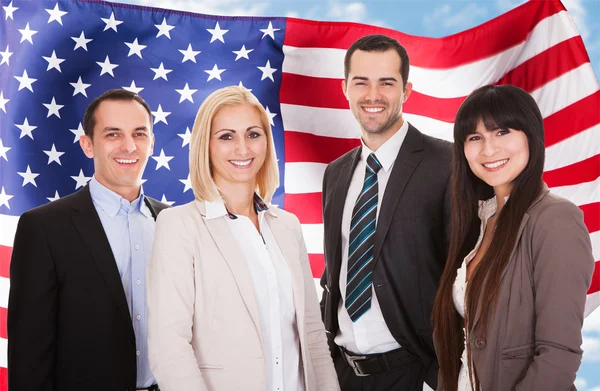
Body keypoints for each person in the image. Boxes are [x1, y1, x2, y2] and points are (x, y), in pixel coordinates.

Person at [146, 85, 339, 391]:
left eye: (253, 134)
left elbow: (313, 336)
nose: (243, 148)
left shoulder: (287, 226)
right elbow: (169, 346)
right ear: (205, 146)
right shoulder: (179, 225)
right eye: (226, 136)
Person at [432, 84, 594, 391]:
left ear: (531, 136)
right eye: (475, 137)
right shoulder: (477, 222)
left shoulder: (555, 219)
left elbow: (558, 356)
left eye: (502, 132)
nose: (488, 150)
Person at [8, 89, 169, 391]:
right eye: (113, 134)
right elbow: (29, 351)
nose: (129, 146)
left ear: (151, 143)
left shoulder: (174, 223)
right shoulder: (43, 227)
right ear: (88, 145)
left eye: (139, 133)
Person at [320, 34, 452, 390]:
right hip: (343, 374)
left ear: (406, 90)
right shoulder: (335, 173)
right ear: (345, 88)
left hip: (416, 373)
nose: (373, 95)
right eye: (361, 82)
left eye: (387, 83)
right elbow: (336, 273)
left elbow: (466, 274)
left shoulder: (448, 164)